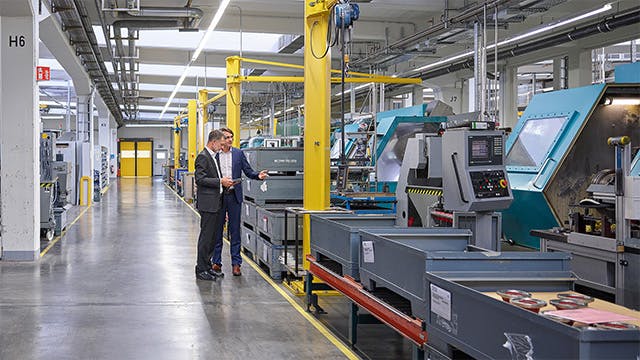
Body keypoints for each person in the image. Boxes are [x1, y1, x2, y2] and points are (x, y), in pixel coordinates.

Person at [212, 127, 268, 276]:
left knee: (235, 230)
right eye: (226, 137)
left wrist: (258, 176)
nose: (230, 139)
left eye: (231, 137)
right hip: (219, 196)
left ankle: (236, 263)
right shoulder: (214, 155)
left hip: (234, 196)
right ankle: (216, 261)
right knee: (217, 230)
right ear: (220, 139)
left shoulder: (238, 153)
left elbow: (248, 171)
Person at [194, 130, 233, 281]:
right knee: (206, 238)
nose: (221, 147)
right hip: (208, 204)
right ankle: (201, 269)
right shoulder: (203, 157)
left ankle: (208, 266)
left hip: (216, 202)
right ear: (213, 142)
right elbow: (200, 179)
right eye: (221, 144)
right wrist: (219, 182)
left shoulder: (213, 157)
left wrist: (224, 182)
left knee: (212, 238)